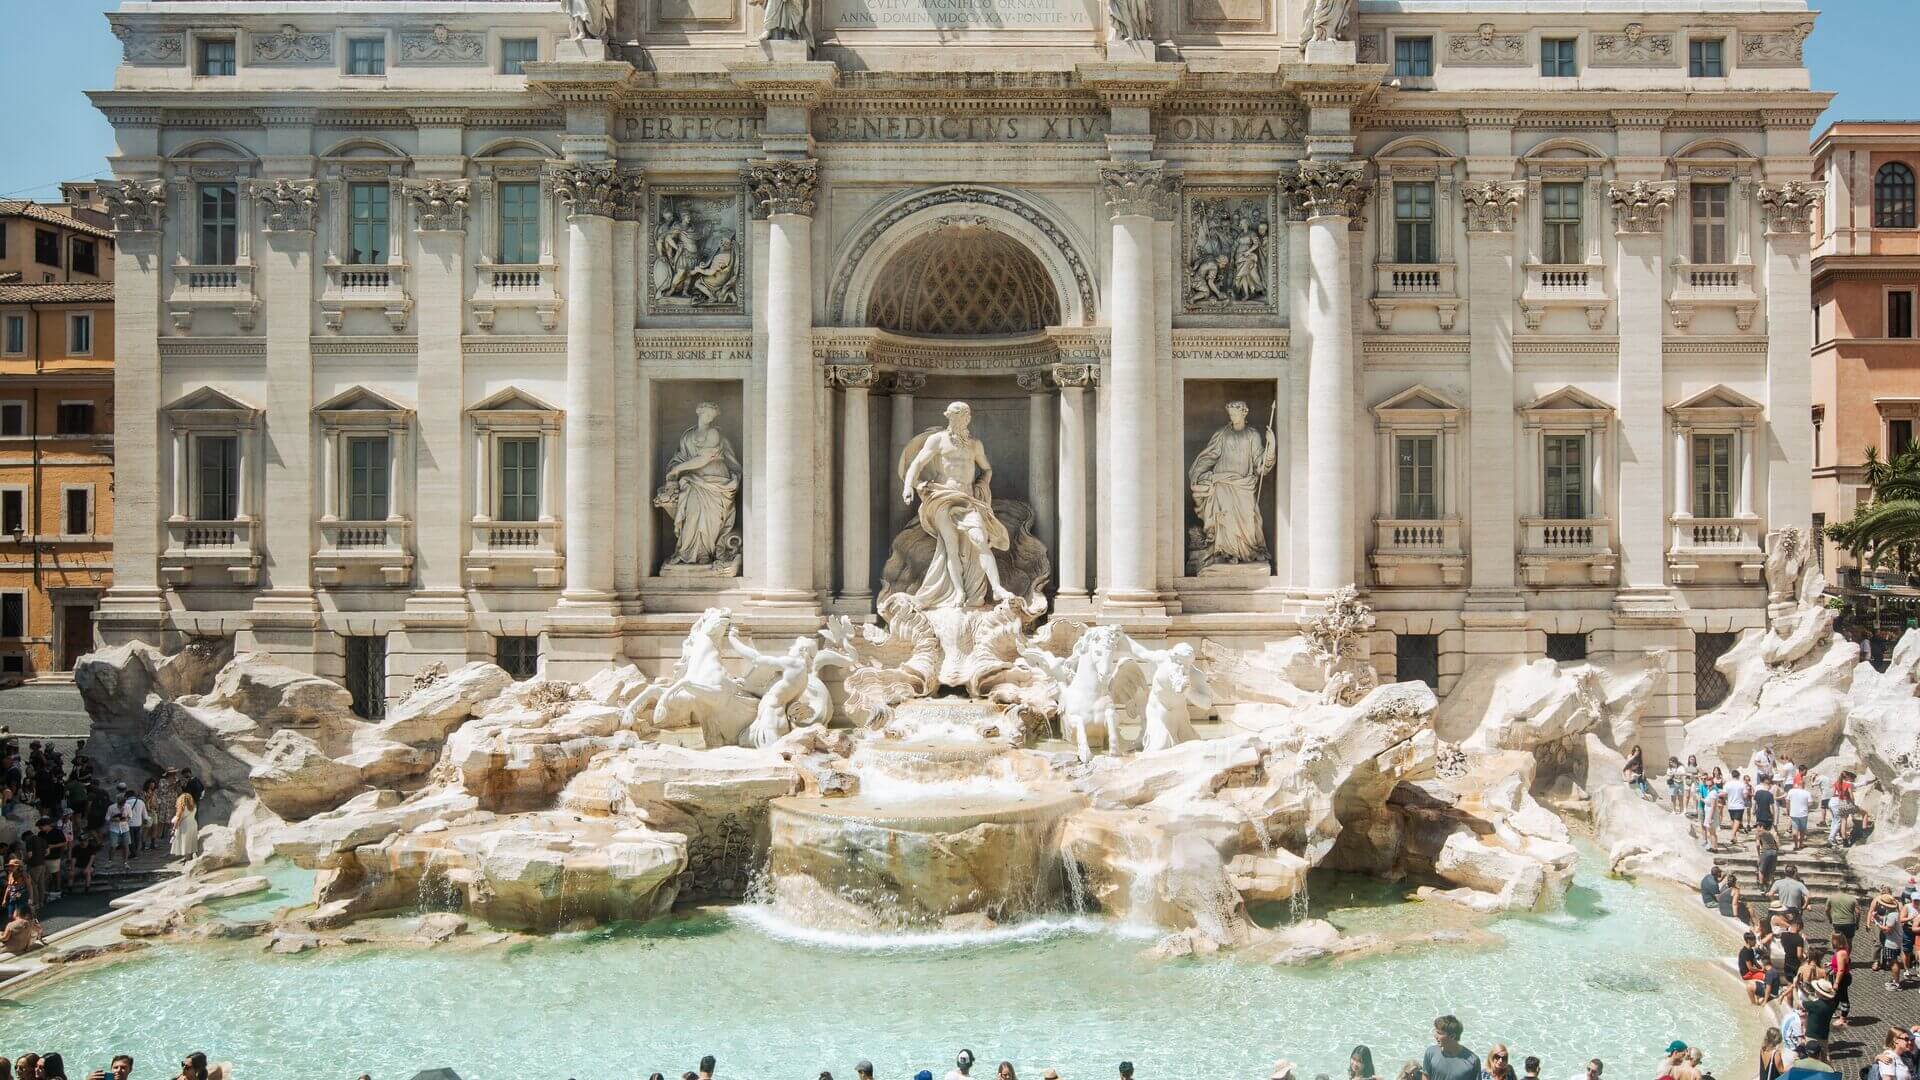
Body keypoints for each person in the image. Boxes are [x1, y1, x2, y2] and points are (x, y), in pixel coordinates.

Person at [1421, 1015, 1480, 1080]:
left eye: (1439, 1033)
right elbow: (1425, 1076)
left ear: (1452, 1036)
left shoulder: (1473, 1061)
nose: (1435, 1036)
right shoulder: (1430, 1052)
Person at [1741, 931, 1771, 1003]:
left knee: (1767, 973)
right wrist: (1761, 971)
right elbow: (1750, 968)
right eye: (1754, 940)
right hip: (1746, 973)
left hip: (1750, 971)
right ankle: (1759, 997)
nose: (1755, 942)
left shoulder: (1750, 950)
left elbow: (1755, 962)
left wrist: (1761, 968)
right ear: (1749, 941)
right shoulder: (1746, 952)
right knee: (1765, 977)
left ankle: (1758, 996)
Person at [170, 788, 199, 860]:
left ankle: (188, 860)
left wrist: (173, 829)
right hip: (193, 824)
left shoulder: (182, 808)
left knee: (185, 843)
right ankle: (191, 857)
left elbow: (178, 819)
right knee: (192, 842)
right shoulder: (194, 807)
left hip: (185, 826)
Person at [1788, 781, 1814, 850]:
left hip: (1793, 813)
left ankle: (1796, 845)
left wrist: (1789, 810)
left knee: (1794, 829)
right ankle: (1801, 844)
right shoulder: (1807, 793)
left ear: (1797, 785)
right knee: (1802, 830)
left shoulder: (1791, 791)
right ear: (1804, 785)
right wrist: (1805, 806)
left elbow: (1787, 801)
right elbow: (1810, 803)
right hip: (1803, 813)